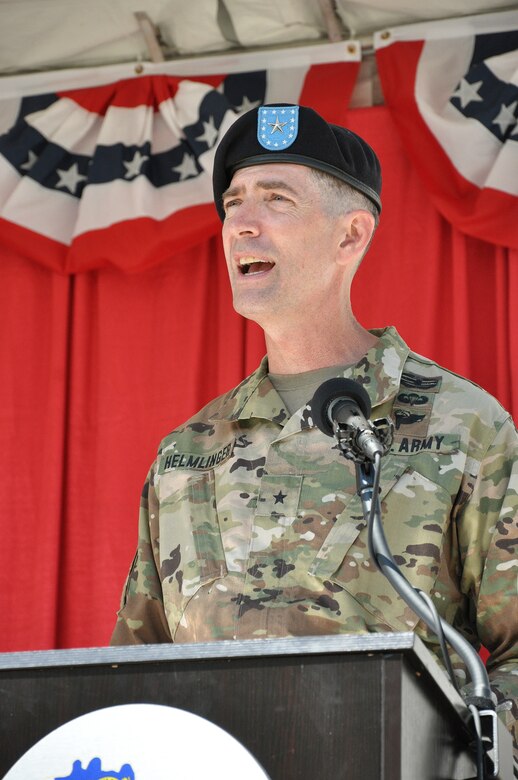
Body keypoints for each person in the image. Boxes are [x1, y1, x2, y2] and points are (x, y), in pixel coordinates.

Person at [111, 104, 517, 765]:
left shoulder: (460, 426)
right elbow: (136, 666)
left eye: (276, 200)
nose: (241, 223)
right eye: (235, 201)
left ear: (350, 236)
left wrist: (461, 762)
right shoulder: (187, 453)